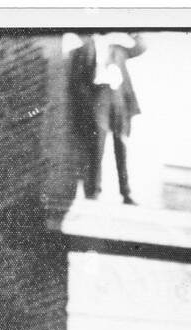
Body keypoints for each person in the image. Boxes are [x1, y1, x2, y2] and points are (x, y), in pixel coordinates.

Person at [68, 32, 146, 204]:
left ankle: (126, 193)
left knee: (121, 146)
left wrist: (133, 30)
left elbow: (141, 47)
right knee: (97, 146)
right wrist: (89, 101)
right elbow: (76, 82)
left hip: (118, 99)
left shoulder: (117, 49)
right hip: (98, 99)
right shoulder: (83, 50)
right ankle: (93, 192)